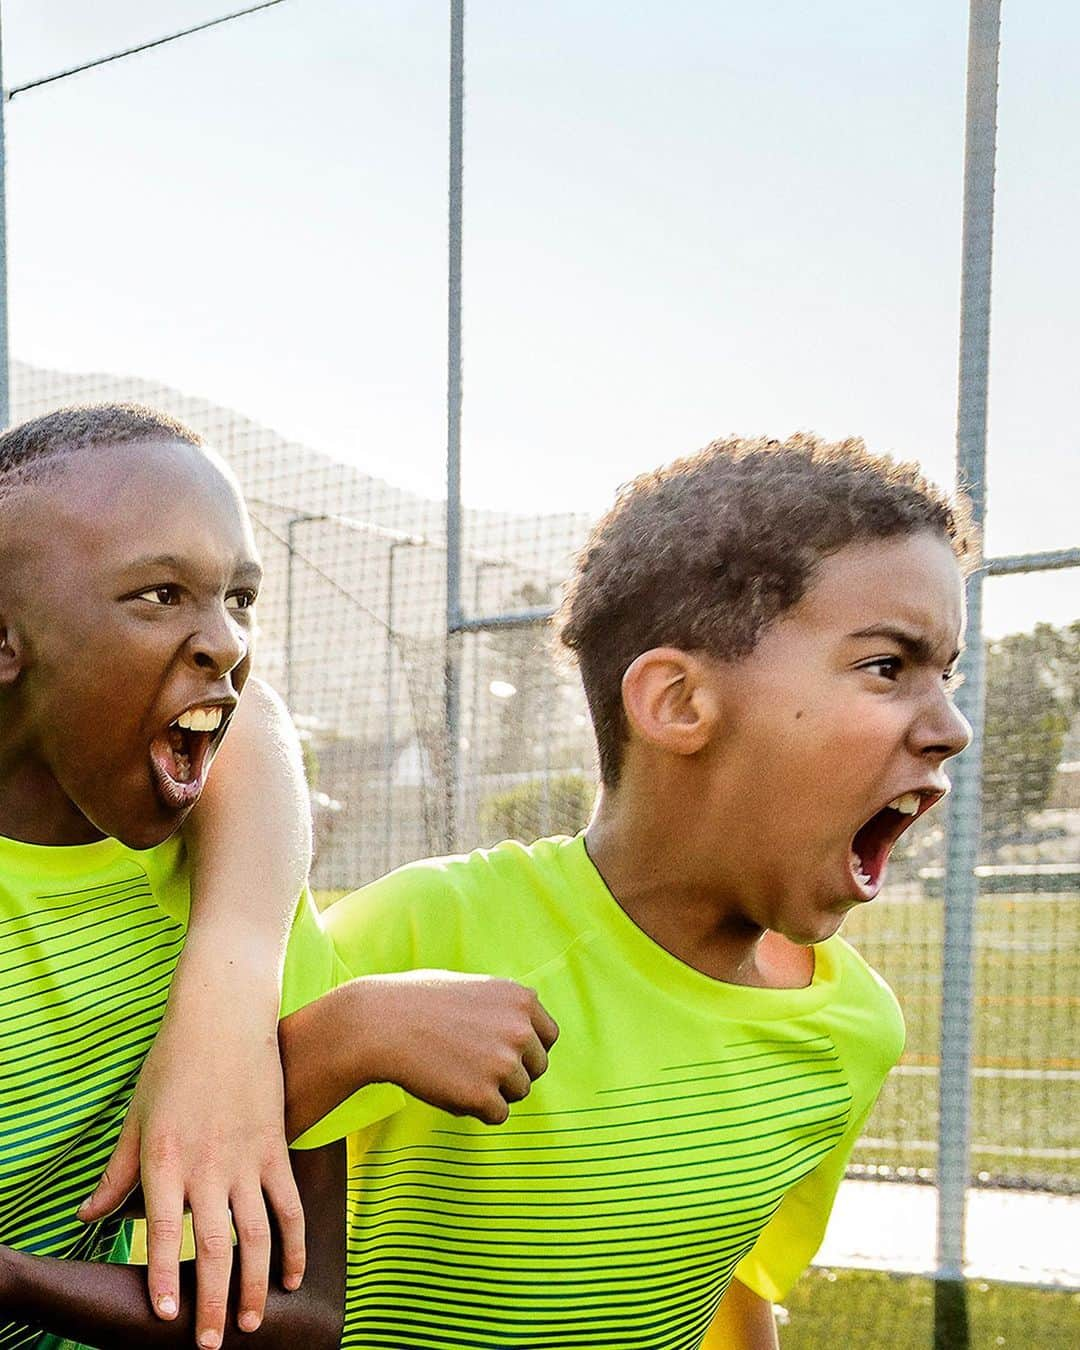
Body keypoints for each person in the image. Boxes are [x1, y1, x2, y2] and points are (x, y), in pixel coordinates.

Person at [199, 432, 973, 1348]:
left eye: (947, 675)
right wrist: (348, 1035)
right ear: (678, 703)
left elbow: (728, 1288)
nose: (952, 727)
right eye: (888, 666)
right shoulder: (428, 928)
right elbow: (171, 1168)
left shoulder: (853, 1033)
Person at [0, 405, 556, 1350]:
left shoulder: (231, 872)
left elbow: (304, 1315)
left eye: (241, 598)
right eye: (159, 595)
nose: (226, 641)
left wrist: (14, 1280)